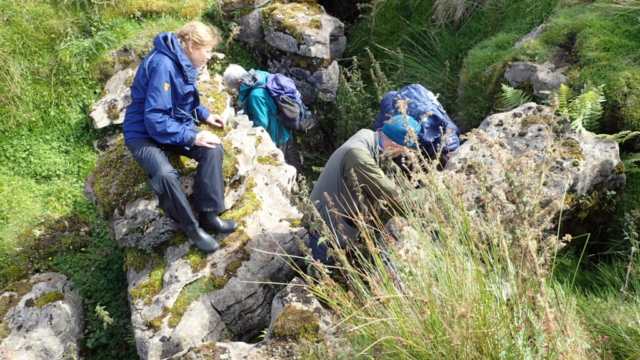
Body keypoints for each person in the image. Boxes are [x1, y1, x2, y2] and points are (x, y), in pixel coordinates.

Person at [123, 21, 238, 254]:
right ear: (192, 45)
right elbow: (154, 119)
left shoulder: (181, 59)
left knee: (213, 147)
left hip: (171, 124)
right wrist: (191, 137)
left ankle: (209, 214)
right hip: (143, 133)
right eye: (207, 51)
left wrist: (204, 115)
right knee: (165, 175)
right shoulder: (163, 65)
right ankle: (192, 228)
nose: (209, 56)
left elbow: (185, 97)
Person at [308, 115, 420, 265]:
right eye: (402, 149)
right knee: (322, 277)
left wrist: (429, 188)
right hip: (324, 230)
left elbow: (397, 179)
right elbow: (389, 194)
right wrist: (426, 200)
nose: (400, 155)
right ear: (395, 144)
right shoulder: (358, 155)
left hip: (340, 225)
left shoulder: (374, 141)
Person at [222, 64, 304, 175]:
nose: (236, 91)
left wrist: (246, 128)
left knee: (286, 166)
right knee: (293, 161)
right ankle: (301, 182)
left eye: (235, 88)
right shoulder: (260, 76)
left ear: (239, 81)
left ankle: (299, 186)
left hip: (277, 135)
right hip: (284, 127)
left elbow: (262, 123)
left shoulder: (255, 95)